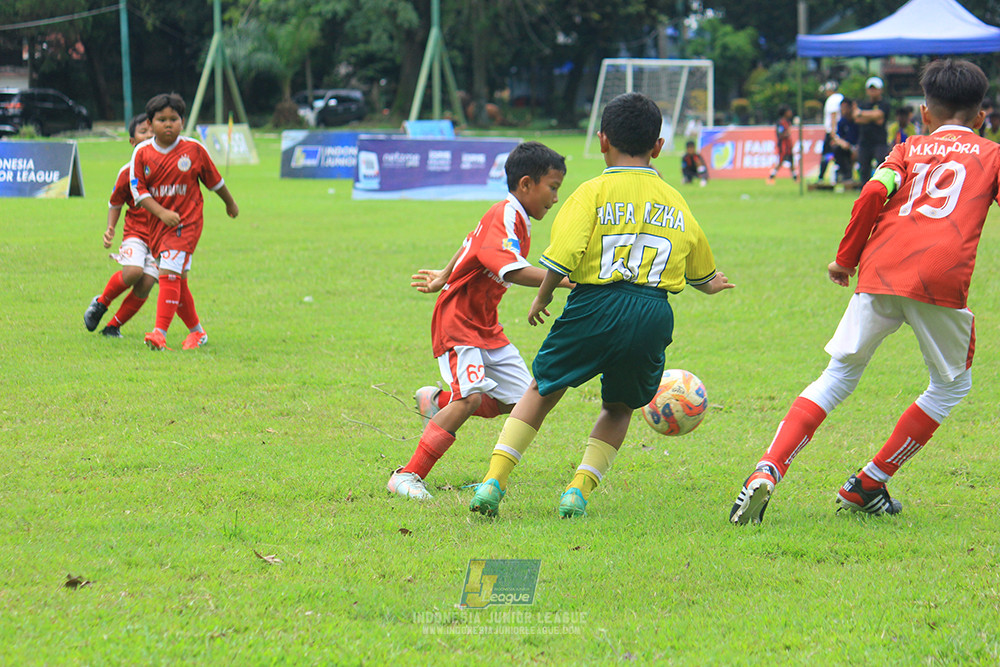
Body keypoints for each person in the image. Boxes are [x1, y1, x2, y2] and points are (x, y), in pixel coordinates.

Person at [730, 59, 997, 526]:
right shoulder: (991, 154)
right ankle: (869, 483)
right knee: (952, 385)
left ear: (923, 113)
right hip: (938, 278)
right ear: (982, 117)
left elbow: (874, 192)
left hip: (881, 269)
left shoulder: (908, 148)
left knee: (838, 374)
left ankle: (767, 468)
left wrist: (845, 259)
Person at [468, 92, 734, 519]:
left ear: (602, 140)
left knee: (543, 388)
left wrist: (543, 294)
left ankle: (493, 480)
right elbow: (701, 271)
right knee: (620, 405)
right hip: (652, 311)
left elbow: (563, 253)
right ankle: (578, 489)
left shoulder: (592, 192)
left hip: (595, 303)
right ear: (659, 147)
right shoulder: (677, 202)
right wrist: (714, 285)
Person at [386, 141, 573, 500]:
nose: (554, 198)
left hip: (486, 325)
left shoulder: (516, 218)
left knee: (521, 400)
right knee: (470, 399)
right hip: (458, 321)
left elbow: (470, 243)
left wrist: (444, 272)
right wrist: (564, 280)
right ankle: (407, 475)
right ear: (525, 184)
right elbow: (511, 269)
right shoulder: (506, 214)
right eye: (552, 188)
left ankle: (439, 402)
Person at [129, 93, 239, 351]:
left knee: (167, 272)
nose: (168, 124)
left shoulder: (194, 149)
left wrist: (230, 203)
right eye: (161, 119)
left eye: (174, 119)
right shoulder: (142, 153)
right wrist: (161, 214)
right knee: (178, 280)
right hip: (158, 225)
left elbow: (215, 182)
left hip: (187, 223)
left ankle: (159, 333)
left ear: (183, 121)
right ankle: (198, 333)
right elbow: (139, 192)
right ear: (150, 122)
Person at [83, 114, 159, 338]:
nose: (149, 136)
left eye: (152, 132)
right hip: (135, 232)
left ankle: (113, 327)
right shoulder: (128, 171)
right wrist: (110, 228)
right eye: (143, 132)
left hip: (161, 237)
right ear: (132, 141)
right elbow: (115, 202)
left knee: (146, 282)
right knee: (134, 271)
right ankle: (101, 303)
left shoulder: (167, 168)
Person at [854, 76, 892, 181]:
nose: (872, 91)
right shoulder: (863, 103)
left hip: (879, 142)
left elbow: (879, 118)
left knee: (881, 166)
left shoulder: (884, 104)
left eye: (875, 89)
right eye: (870, 89)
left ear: (881, 90)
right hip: (864, 142)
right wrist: (872, 117)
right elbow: (857, 119)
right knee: (863, 168)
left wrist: (862, 114)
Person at [817, 81, 844, 185]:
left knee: (827, 155)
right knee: (838, 156)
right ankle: (840, 175)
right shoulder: (841, 97)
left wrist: (833, 134)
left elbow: (833, 116)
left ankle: (821, 177)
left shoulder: (832, 100)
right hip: (842, 131)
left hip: (832, 132)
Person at [767, 105, 797, 183]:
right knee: (781, 160)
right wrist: (786, 134)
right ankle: (771, 176)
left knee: (791, 160)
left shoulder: (788, 122)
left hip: (788, 144)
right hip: (783, 145)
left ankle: (795, 177)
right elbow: (780, 134)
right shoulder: (780, 122)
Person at [833, 97, 859, 182]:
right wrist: (842, 143)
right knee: (836, 149)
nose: (843, 110)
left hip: (860, 147)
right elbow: (838, 137)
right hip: (848, 148)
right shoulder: (842, 122)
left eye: (845, 107)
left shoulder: (858, 121)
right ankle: (846, 175)